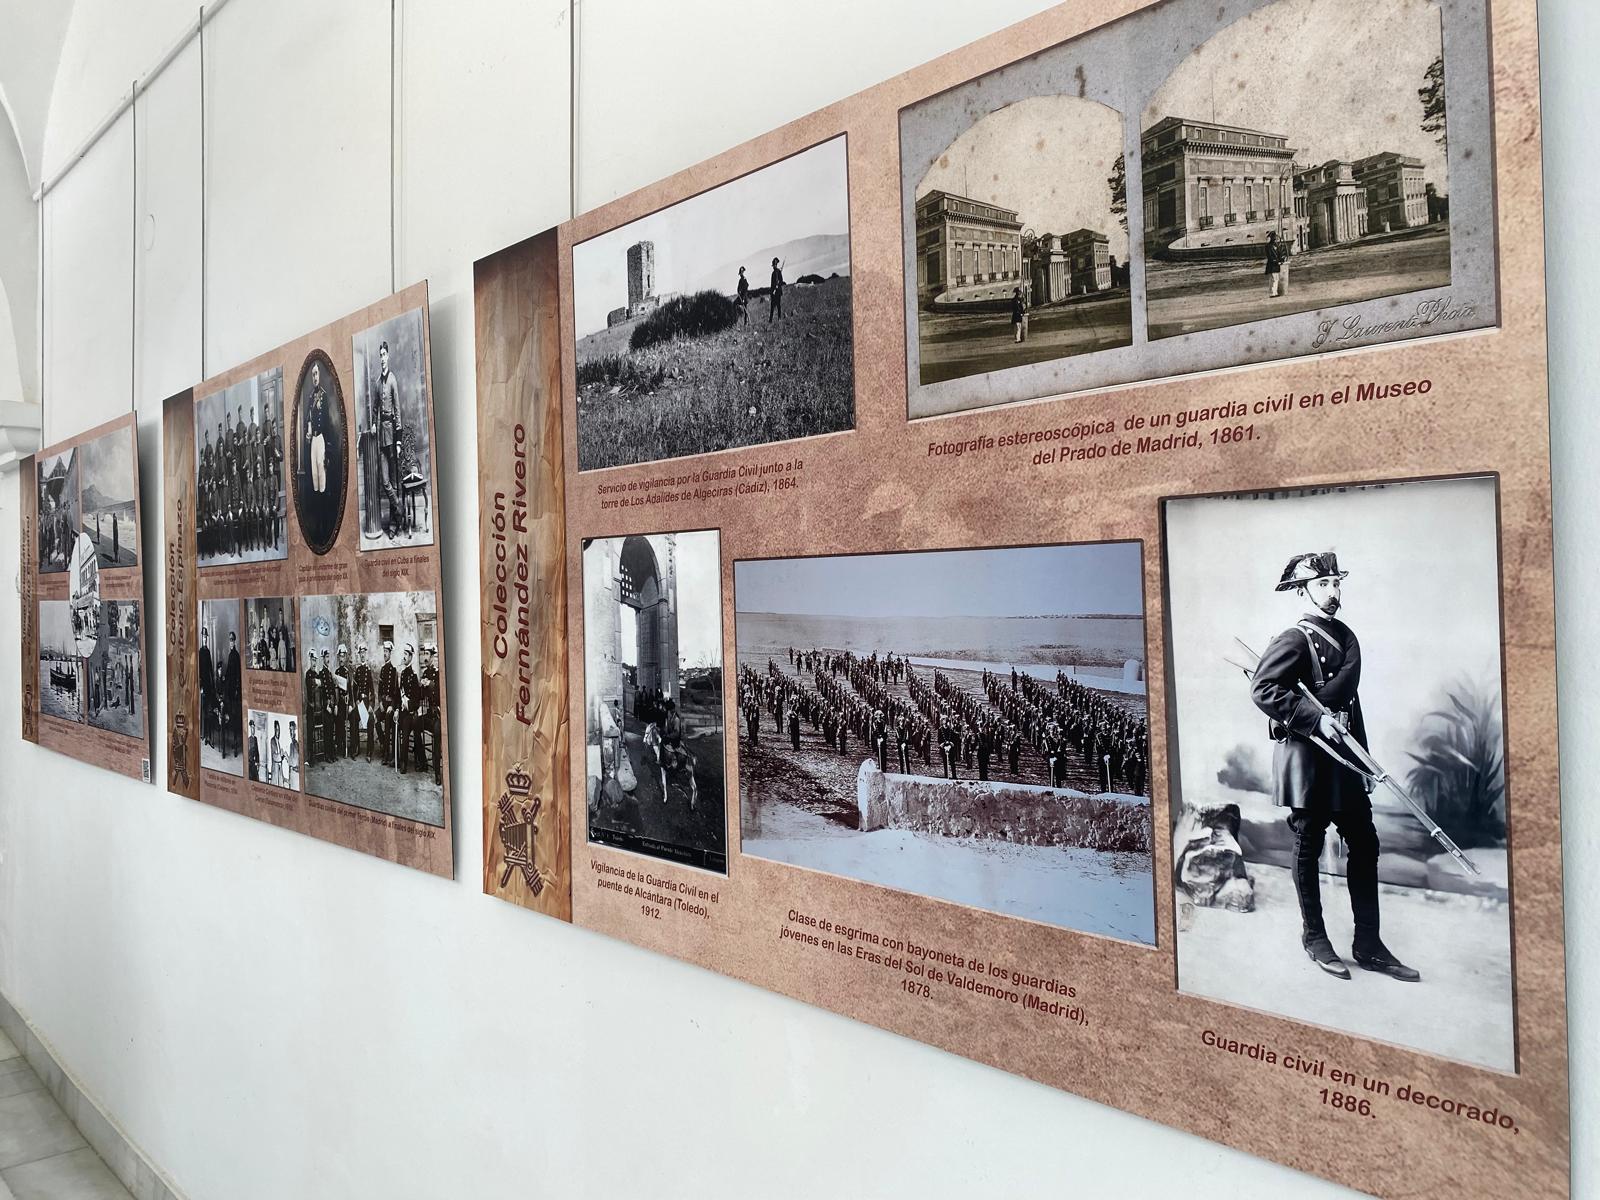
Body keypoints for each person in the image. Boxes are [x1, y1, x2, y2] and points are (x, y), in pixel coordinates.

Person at [1250, 551, 1419, 983]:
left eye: (1337, 583)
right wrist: (1313, 717)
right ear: (1302, 591)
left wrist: (1363, 761)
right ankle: (1315, 937)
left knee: (1365, 843)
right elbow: (1264, 689)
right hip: (1308, 758)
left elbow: (1350, 705)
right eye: (1324, 585)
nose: (1333, 592)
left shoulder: (1345, 637)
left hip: (1343, 758)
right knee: (1309, 843)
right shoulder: (1292, 638)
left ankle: (1369, 944)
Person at [371, 340, 406, 538]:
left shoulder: (392, 380)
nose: (382, 358)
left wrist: (399, 441)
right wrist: (374, 423)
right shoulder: (377, 383)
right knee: (386, 482)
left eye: (384, 354)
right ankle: (400, 509)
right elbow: (375, 407)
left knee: (393, 480)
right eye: (380, 355)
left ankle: (393, 525)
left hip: (393, 435)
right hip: (381, 438)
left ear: (388, 356)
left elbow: (398, 412)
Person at [1266, 231, 1289, 299]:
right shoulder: (1268, 246)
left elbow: (1279, 254)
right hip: (1272, 265)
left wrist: (1282, 259)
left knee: (1276, 279)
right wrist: (1276, 261)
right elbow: (1270, 256)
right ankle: (1272, 293)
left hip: (1276, 265)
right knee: (1273, 279)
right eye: (1274, 237)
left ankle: (1274, 292)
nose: (1275, 239)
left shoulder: (1276, 245)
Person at [768, 257, 784, 322]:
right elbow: (772, 284)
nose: (774, 266)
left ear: (776, 265)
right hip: (773, 292)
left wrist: (778, 284)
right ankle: (770, 320)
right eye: (773, 265)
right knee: (772, 307)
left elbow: (781, 281)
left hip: (778, 292)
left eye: (775, 265)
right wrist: (772, 291)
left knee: (778, 306)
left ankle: (779, 318)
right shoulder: (773, 273)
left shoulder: (779, 272)